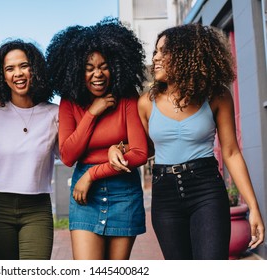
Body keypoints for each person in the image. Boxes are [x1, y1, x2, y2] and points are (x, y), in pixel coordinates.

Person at [110, 23, 265, 259]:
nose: (156, 58)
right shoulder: (145, 103)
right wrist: (117, 148)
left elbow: (231, 153)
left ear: (186, 54)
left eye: (164, 51)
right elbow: (144, 149)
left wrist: (253, 208)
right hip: (165, 195)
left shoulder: (217, 95)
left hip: (206, 190)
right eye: (156, 52)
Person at [46, 17, 148, 260]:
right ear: (76, 72)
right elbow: (69, 156)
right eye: (89, 69)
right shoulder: (70, 103)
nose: (97, 74)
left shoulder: (126, 98)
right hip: (85, 199)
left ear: (115, 65)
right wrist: (92, 112)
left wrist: (92, 174)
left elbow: (140, 153)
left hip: (124, 193)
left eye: (103, 66)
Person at [0, 39, 58, 260]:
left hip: (37, 208)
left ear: (35, 69)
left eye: (24, 65)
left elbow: (70, 155)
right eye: (9, 68)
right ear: (2, 76)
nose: (17, 73)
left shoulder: (54, 114)